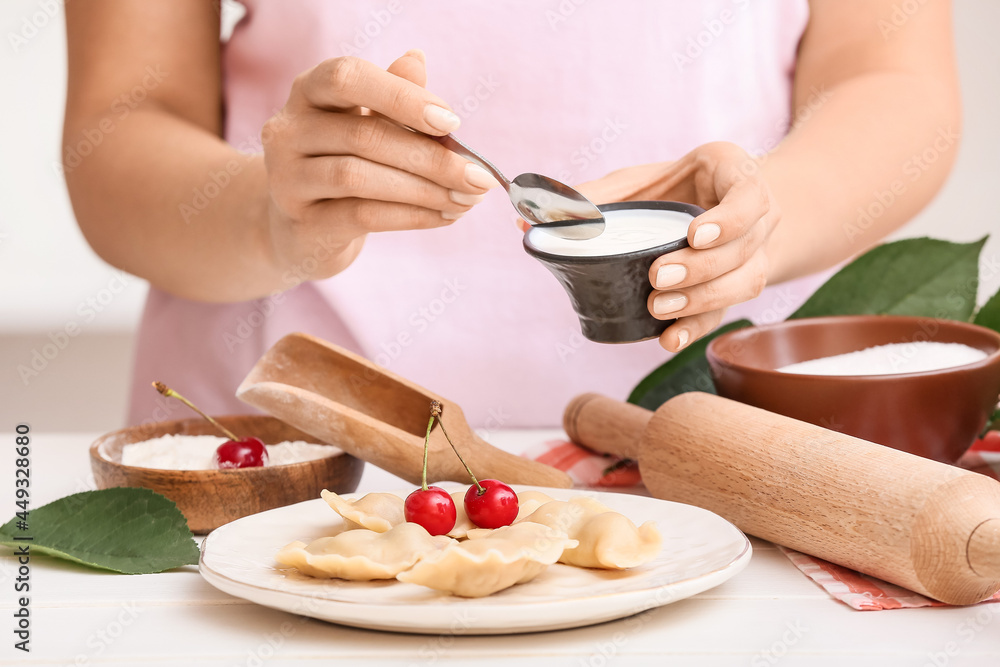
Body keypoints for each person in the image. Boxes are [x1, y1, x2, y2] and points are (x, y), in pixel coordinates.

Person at [63, 1, 960, 428]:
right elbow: (119, 131)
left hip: (729, 440)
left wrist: (767, 220)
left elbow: (893, 79)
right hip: (281, 463)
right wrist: (271, 216)